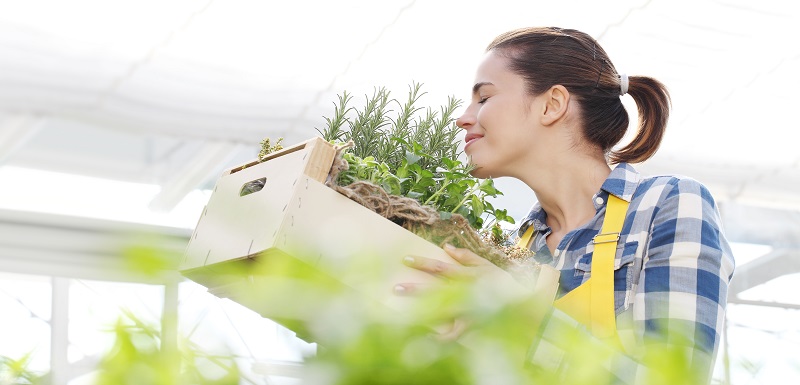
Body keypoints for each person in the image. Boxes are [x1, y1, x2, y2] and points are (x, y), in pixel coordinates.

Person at [395, 27, 735, 384]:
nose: (463, 117)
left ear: (552, 104)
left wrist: (516, 313)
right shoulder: (514, 248)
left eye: (484, 98)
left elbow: (675, 378)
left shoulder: (666, 205)